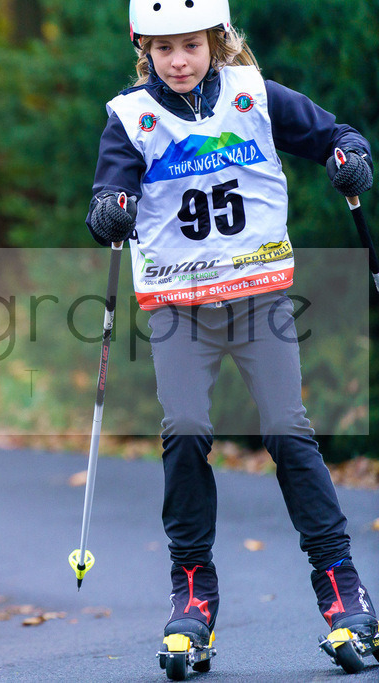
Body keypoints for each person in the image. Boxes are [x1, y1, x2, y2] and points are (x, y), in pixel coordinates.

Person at [84, 0, 376, 661]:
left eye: (190, 44)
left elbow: (339, 135)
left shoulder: (255, 95)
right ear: (144, 52)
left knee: (287, 430)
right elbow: (109, 191)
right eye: (163, 50)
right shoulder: (131, 118)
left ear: (216, 41)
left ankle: (342, 586)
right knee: (184, 429)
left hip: (258, 296)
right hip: (179, 306)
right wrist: (109, 210)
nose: (178, 60)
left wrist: (349, 158)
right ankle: (192, 593)